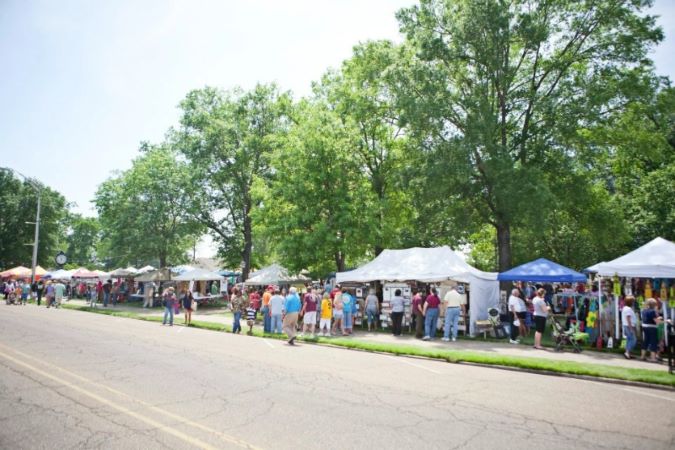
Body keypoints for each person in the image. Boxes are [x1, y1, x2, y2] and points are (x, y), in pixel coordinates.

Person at [640, 298, 663, 362]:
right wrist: (666, 321)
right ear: (654, 305)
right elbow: (656, 321)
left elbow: (648, 318)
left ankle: (642, 356)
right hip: (652, 327)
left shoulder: (644, 310)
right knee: (653, 342)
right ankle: (653, 358)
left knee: (646, 341)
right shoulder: (653, 311)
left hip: (644, 327)